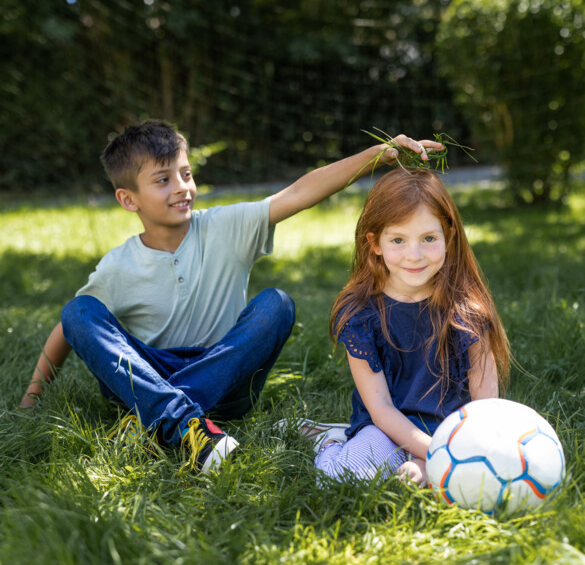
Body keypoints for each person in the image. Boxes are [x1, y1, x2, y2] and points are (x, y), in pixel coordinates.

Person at [19, 119, 443, 473]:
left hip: (225, 373)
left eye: (185, 174)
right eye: (162, 180)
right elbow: (70, 328)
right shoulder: (117, 265)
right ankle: (185, 424)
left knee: (275, 303)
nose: (181, 187)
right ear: (128, 199)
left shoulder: (225, 227)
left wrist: (378, 155)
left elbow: (298, 192)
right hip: (147, 371)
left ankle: (155, 420)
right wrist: (31, 399)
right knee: (79, 309)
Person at [290, 168, 510, 485]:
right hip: (386, 429)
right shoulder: (361, 315)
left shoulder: (469, 313)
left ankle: (422, 468)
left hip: (453, 432)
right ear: (374, 243)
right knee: (335, 481)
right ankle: (330, 443)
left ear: (449, 237)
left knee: (468, 484)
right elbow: (379, 408)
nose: (414, 255)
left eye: (429, 239)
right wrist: (437, 454)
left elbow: (485, 407)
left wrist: (456, 452)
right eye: (398, 239)